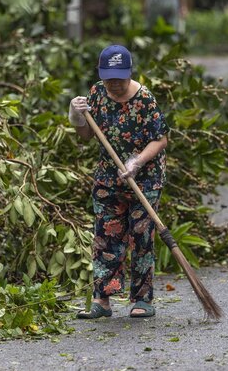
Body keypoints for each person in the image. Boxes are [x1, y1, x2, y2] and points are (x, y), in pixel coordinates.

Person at [68, 44, 169, 319]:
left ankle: (142, 299)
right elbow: (86, 135)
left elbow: (161, 139)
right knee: (106, 236)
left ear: (129, 73)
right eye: (109, 77)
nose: (114, 84)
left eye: (119, 78)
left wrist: (137, 161)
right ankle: (102, 300)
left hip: (145, 180)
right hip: (108, 178)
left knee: (141, 235)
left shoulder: (145, 99)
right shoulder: (97, 93)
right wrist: (75, 115)